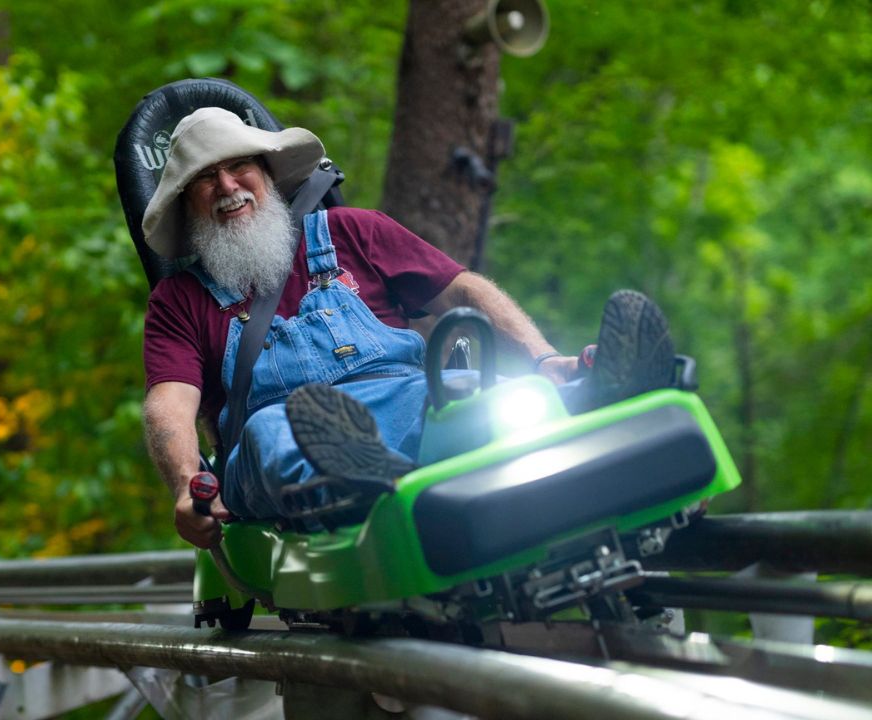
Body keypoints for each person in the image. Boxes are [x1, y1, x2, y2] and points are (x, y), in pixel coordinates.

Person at [140, 107, 672, 549]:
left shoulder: (354, 233)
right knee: (272, 433)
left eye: (239, 168)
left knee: (499, 398)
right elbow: (170, 404)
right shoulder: (179, 301)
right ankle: (361, 488)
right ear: (188, 205)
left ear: (268, 174)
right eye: (206, 179)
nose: (228, 186)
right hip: (279, 448)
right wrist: (190, 487)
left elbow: (466, 291)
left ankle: (611, 414)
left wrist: (542, 359)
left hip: (413, 412)